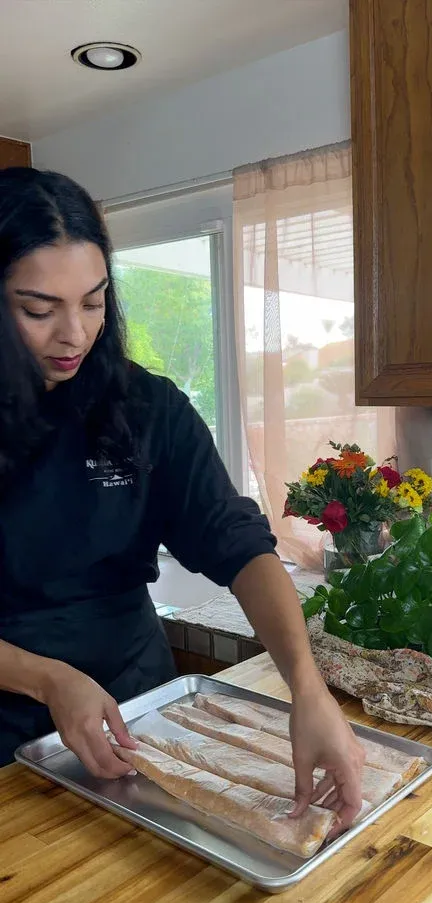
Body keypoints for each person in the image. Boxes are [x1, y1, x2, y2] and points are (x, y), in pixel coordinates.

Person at [0, 167, 364, 826]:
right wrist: (48, 678)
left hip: (139, 710)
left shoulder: (147, 407)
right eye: (38, 309)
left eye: (93, 300)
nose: (75, 334)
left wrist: (305, 686)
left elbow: (239, 544)